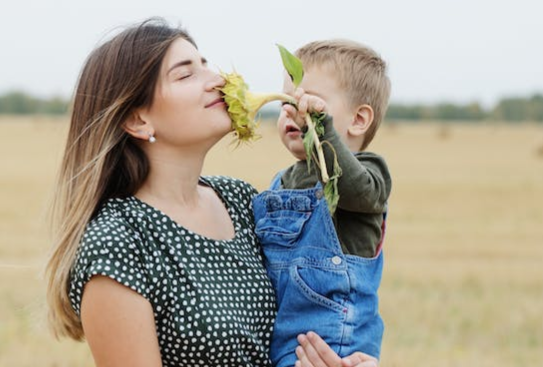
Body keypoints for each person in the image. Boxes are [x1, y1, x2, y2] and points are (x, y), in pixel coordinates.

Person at [45, 18, 379, 367]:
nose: (218, 80)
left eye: (205, 64)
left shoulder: (241, 201)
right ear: (138, 120)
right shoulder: (118, 241)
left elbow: (319, 306)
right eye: (185, 74)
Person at [252, 40, 392, 367]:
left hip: (335, 343)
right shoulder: (280, 182)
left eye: (307, 102)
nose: (291, 109)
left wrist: (321, 128)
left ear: (358, 120)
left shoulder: (371, 172)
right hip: (284, 340)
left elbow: (355, 187)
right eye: (286, 100)